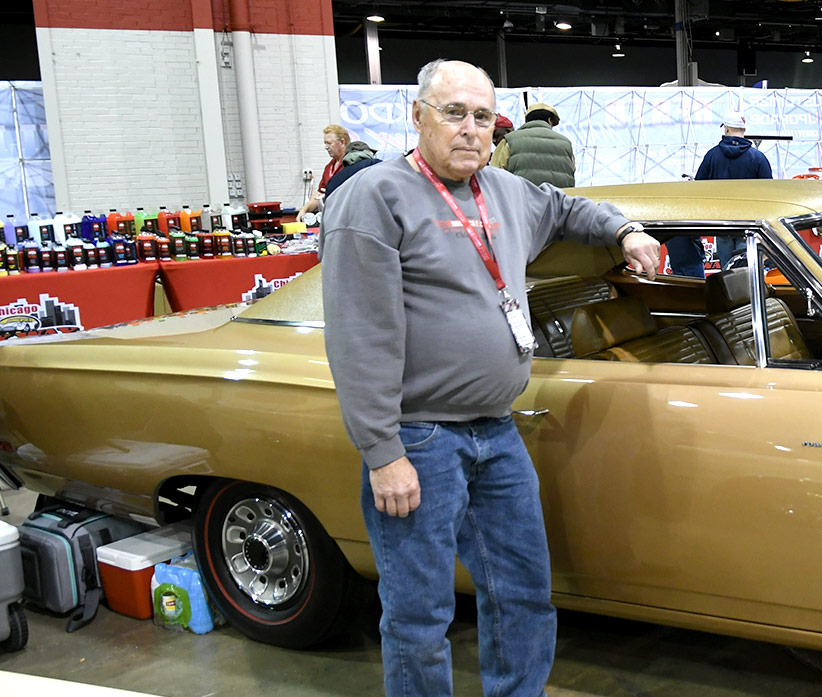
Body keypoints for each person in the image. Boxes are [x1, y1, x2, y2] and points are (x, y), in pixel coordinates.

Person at [320, 58, 662, 697]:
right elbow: (357, 335)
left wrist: (625, 227)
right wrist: (381, 451)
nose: (470, 129)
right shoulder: (373, 197)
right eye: (453, 113)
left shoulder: (504, 191)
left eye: (482, 117)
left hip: (497, 434)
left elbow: (563, 208)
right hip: (419, 440)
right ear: (416, 115)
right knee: (420, 615)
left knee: (524, 594)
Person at [668, 112, 773, 276]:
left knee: (727, 272)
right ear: (743, 129)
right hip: (749, 225)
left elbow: (699, 187)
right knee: (747, 271)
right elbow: (769, 194)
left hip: (722, 222)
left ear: (727, 128)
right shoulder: (758, 157)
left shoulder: (712, 155)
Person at [492, 102, 577, 189]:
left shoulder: (508, 141)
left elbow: (494, 177)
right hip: (558, 201)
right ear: (550, 120)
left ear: (527, 120)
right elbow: (571, 173)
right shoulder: (566, 144)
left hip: (521, 201)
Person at [297, 124, 351, 219]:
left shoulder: (352, 165)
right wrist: (303, 210)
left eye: (329, 143)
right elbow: (319, 193)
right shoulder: (328, 167)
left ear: (342, 142)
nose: (326, 147)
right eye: (325, 143)